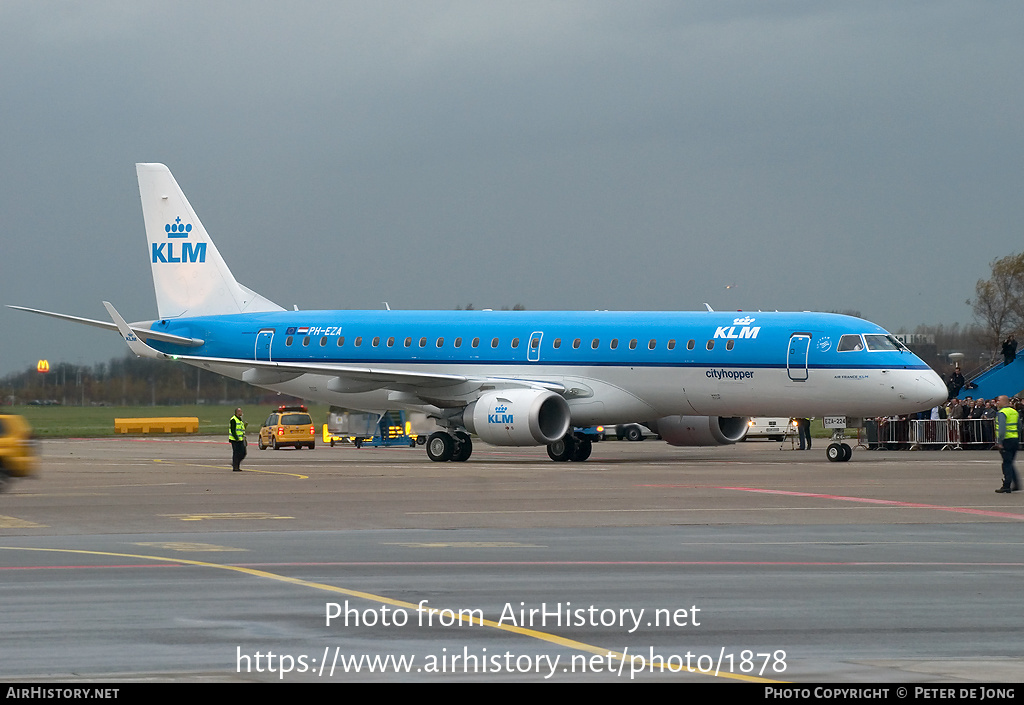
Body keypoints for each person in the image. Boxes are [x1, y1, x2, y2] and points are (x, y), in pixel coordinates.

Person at [994, 395, 1020, 493]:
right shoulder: (1014, 412)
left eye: (999, 400)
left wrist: (1000, 442)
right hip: (1014, 439)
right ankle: (1016, 483)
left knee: (1006, 463)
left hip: (1006, 440)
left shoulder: (1002, 413)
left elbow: (1002, 429)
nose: (997, 402)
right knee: (1010, 462)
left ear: (1004, 402)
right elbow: (1019, 426)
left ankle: (1006, 485)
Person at [229, 407, 247, 472]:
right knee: (236, 453)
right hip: (235, 440)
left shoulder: (240, 420)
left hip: (241, 439)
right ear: (237, 412)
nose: (241, 413)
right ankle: (235, 467)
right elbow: (233, 430)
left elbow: (241, 430)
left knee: (243, 453)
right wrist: (236, 438)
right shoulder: (233, 419)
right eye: (240, 411)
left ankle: (235, 464)